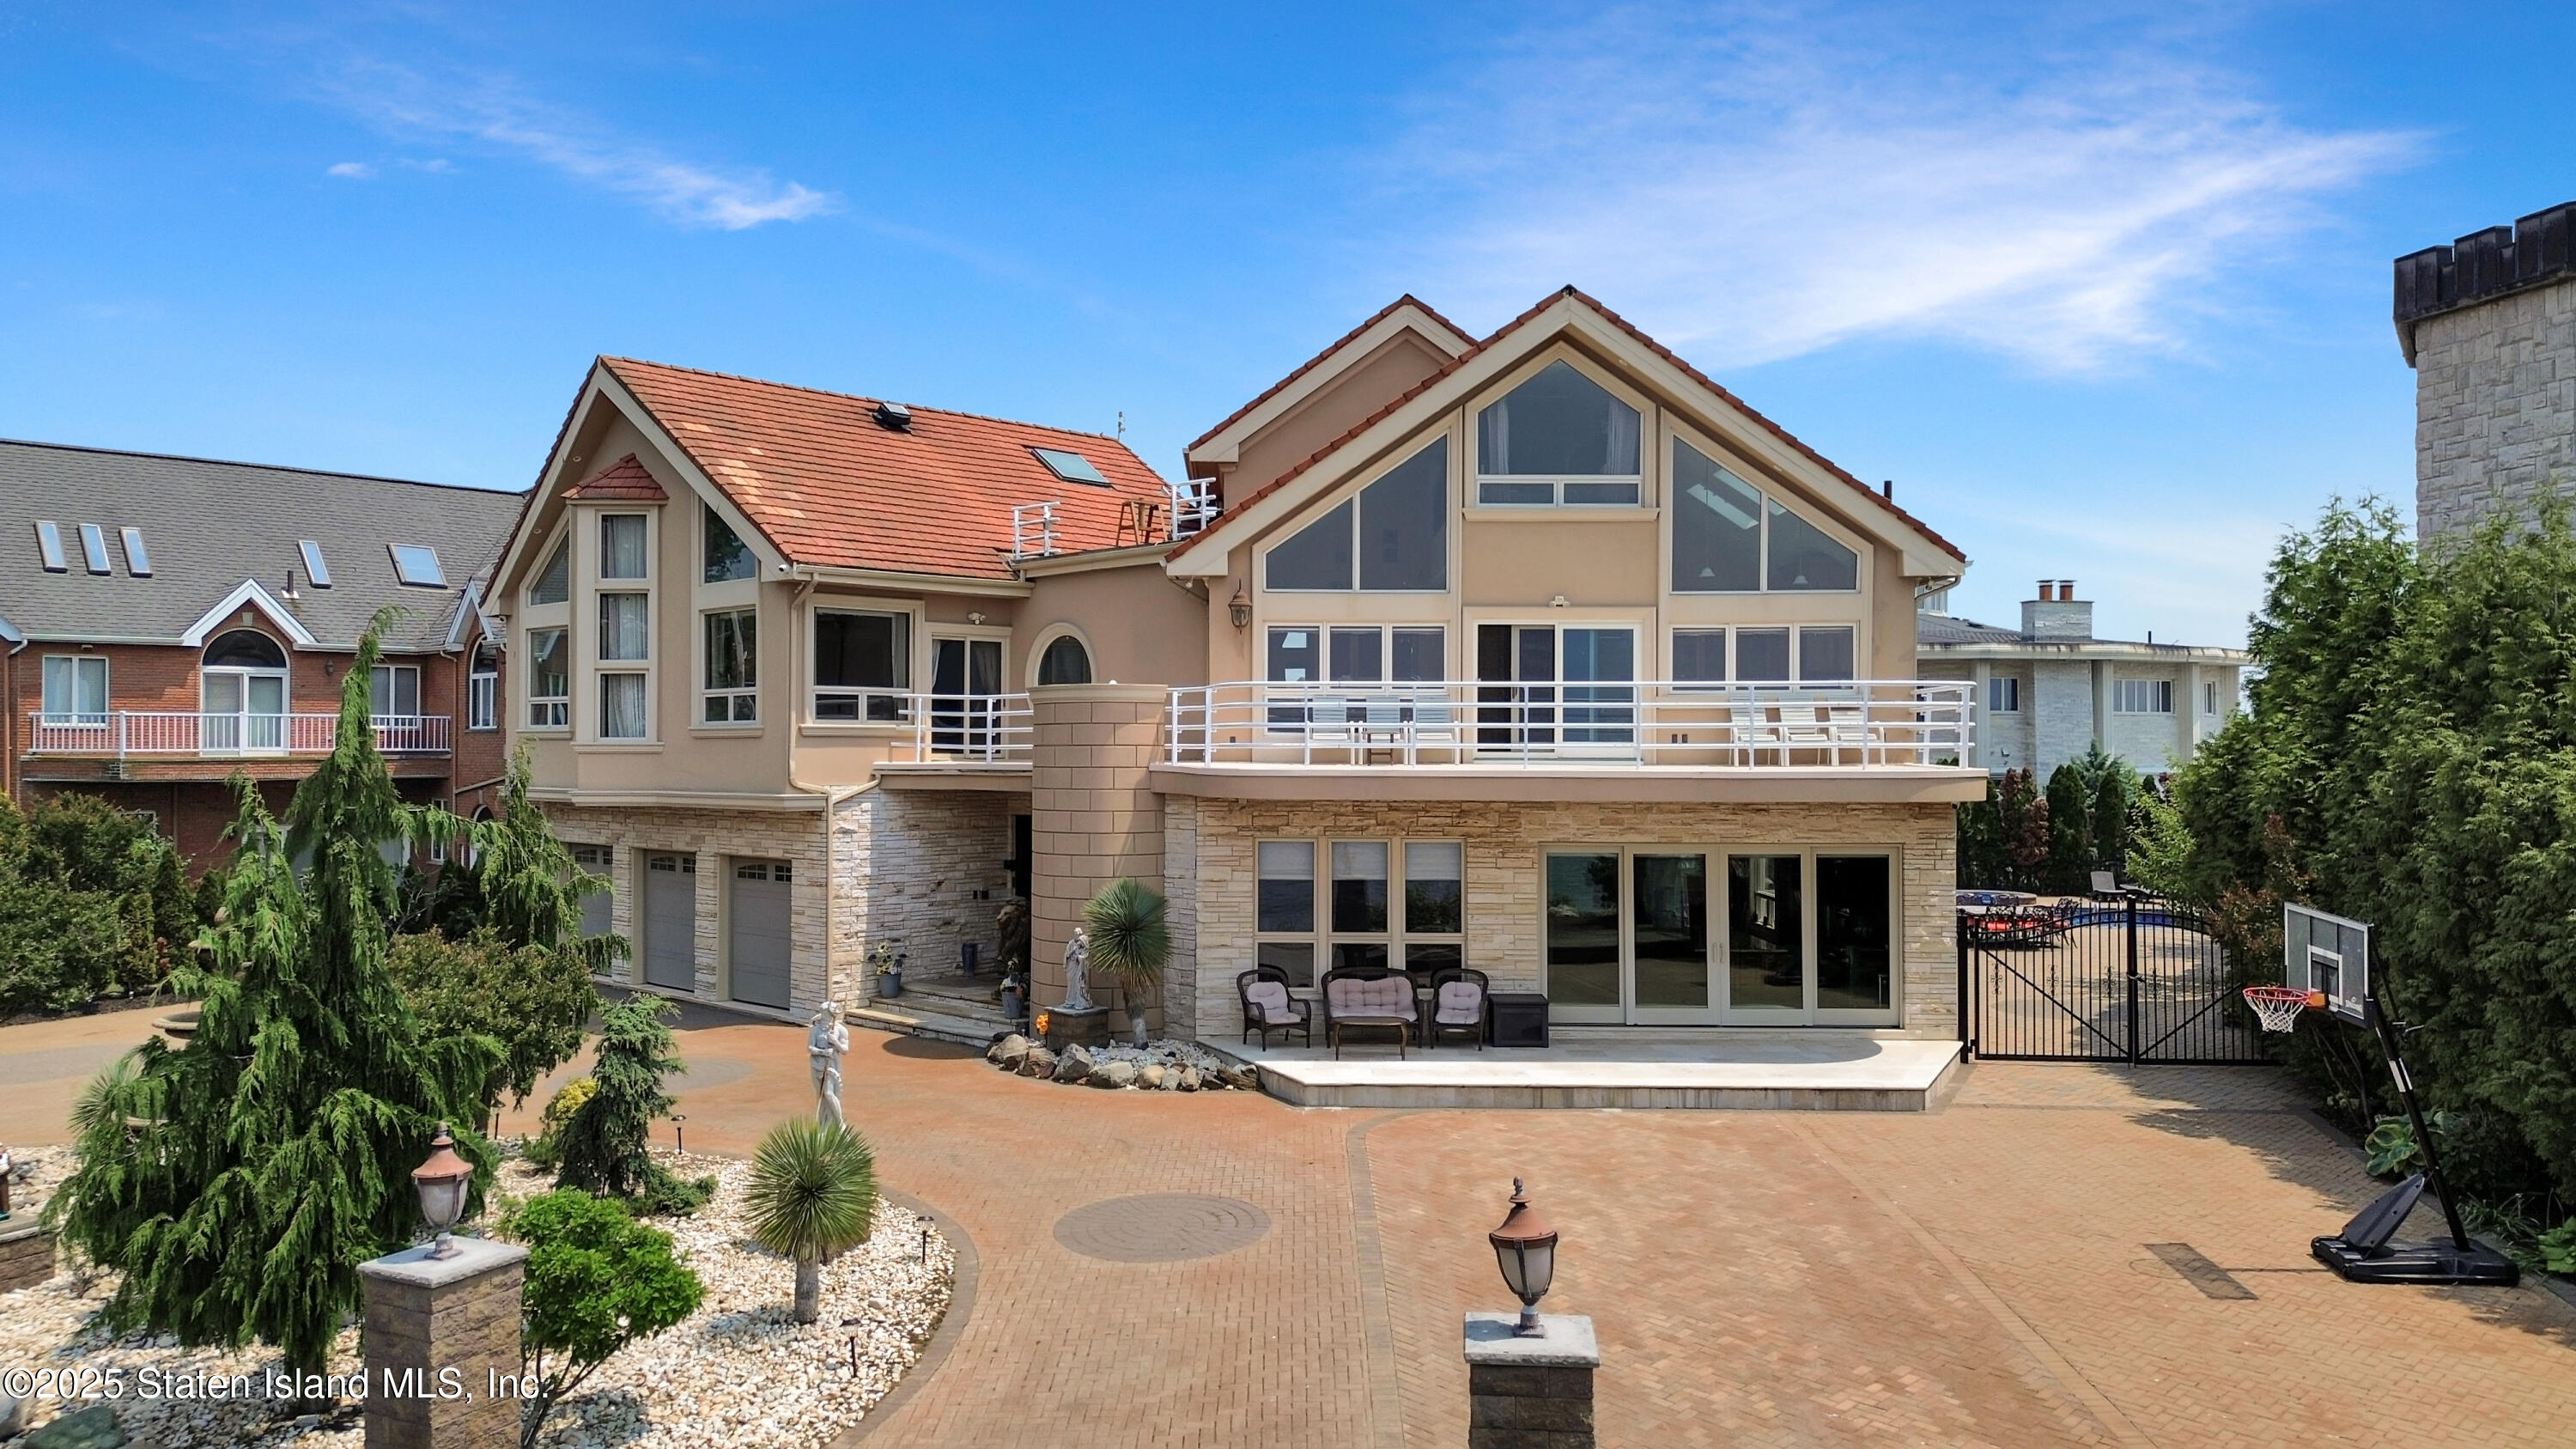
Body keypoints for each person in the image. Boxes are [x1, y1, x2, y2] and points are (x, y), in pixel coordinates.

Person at [806, 1002, 849, 1131]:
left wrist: (835, 1042)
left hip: (831, 1066)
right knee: (821, 1095)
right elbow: (810, 1048)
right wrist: (822, 1052)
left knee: (829, 1093)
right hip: (817, 1065)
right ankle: (823, 1123)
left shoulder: (841, 1030)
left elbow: (845, 1050)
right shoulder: (815, 1029)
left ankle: (839, 1122)